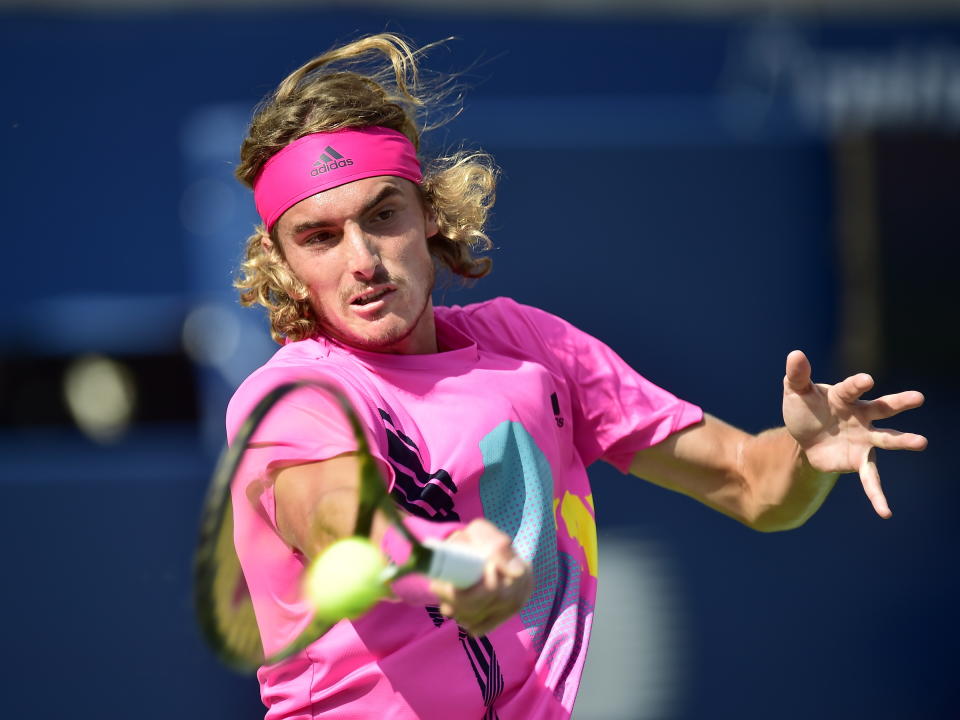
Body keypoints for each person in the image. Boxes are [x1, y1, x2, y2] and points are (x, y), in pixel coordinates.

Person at [225, 34, 927, 720]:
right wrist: (442, 562)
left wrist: (805, 454)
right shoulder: (296, 398)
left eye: (383, 216)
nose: (364, 261)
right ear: (283, 264)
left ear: (428, 213)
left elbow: (751, 484)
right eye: (321, 237)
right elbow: (337, 520)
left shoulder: (531, 348)